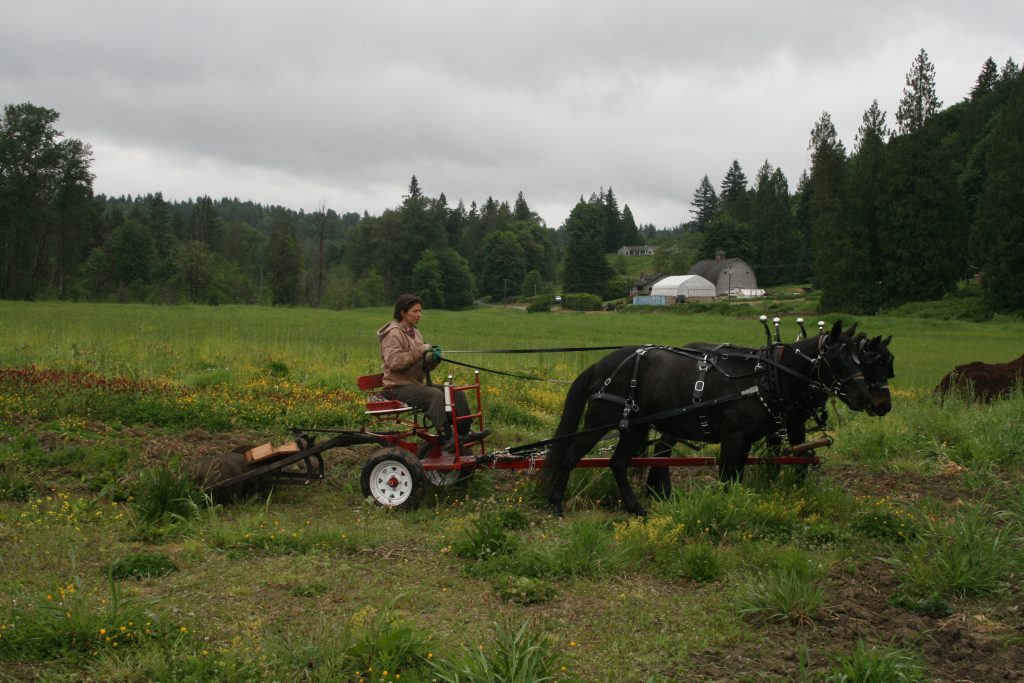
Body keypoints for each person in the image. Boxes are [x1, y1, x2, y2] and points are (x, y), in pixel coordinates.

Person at [377, 294, 487, 451]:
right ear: (402, 312)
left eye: (420, 311)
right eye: (415, 311)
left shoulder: (415, 333)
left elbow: (422, 366)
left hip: (414, 384)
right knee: (433, 395)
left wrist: (434, 359)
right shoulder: (393, 334)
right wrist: (419, 350)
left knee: (455, 392)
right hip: (397, 388)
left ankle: (464, 432)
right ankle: (446, 437)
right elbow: (394, 363)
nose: (419, 315)